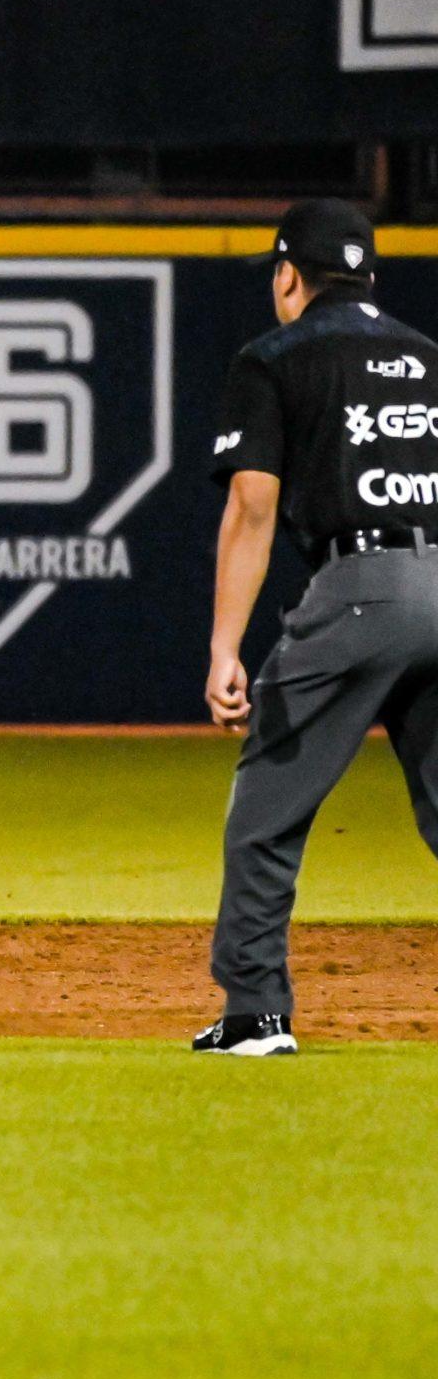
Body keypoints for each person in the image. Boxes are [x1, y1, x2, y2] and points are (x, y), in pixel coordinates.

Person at [201, 197, 438, 1055]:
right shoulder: (427, 355)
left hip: (364, 585)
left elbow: (252, 507)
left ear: (289, 274)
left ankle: (255, 1013)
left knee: (267, 802)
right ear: (369, 275)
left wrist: (226, 647)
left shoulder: (273, 357)